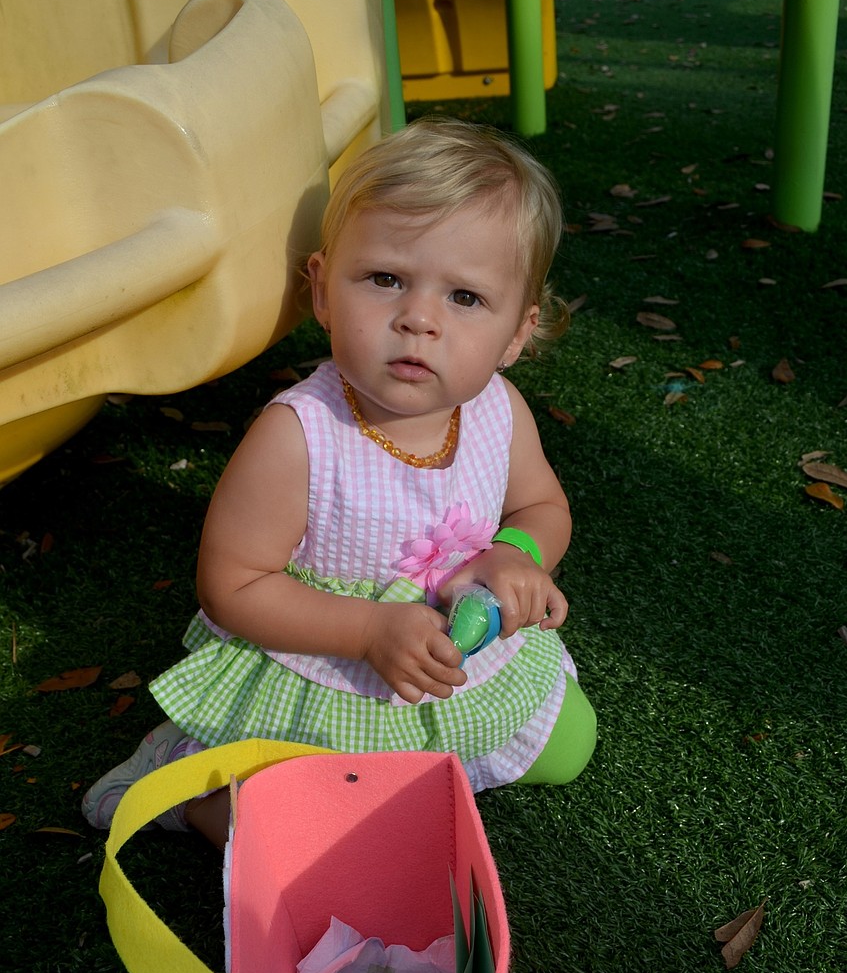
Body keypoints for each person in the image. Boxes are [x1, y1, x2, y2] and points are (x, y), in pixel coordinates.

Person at [83, 117, 596, 850]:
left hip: (456, 665)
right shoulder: (298, 436)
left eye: (466, 298)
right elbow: (233, 583)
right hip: (330, 671)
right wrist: (366, 629)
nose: (418, 318)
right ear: (323, 290)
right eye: (385, 279)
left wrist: (515, 552)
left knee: (571, 742)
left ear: (518, 331)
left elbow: (541, 504)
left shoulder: (498, 413)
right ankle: (188, 787)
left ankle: (439, 761)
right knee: (317, 827)